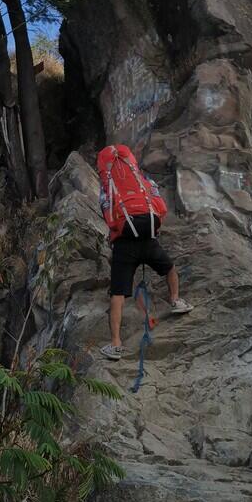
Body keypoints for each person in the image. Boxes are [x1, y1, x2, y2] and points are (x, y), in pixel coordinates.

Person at [96, 144, 193, 361]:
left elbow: (106, 212)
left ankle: (115, 344)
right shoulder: (142, 179)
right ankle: (176, 300)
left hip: (124, 244)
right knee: (169, 268)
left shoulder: (107, 185)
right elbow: (160, 206)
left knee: (118, 293)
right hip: (148, 238)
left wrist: (116, 234)